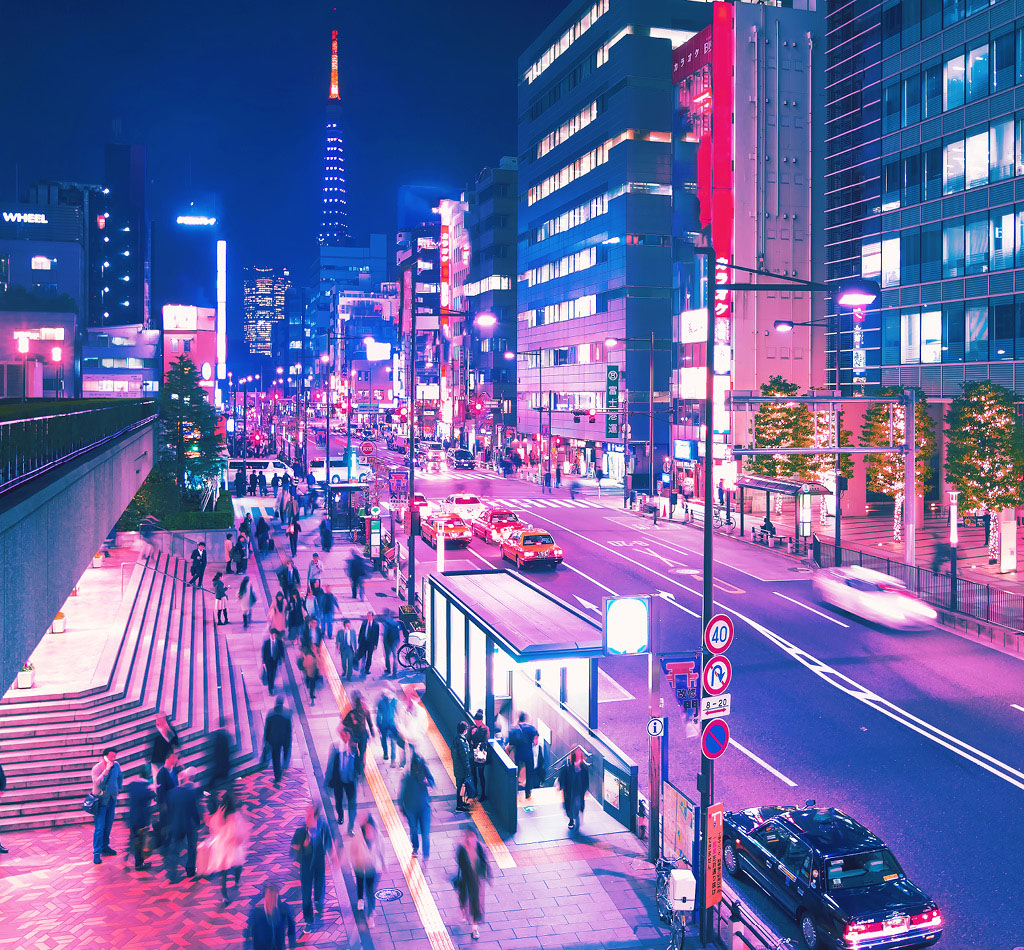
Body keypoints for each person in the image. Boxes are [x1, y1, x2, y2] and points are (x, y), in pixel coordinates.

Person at [291, 803, 337, 935]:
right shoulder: (301, 832)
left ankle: (318, 900)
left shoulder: (323, 828)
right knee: (306, 896)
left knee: (319, 887)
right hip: (306, 867)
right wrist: (302, 848)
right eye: (307, 814)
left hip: (319, 864)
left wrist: (333, 857)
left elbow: (328, 842)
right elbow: (293, 851)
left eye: (309, 815)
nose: (307, 817)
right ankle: (308, 920)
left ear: (316, 817)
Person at [207, 791, 250, 904]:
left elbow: (213, 827)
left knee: (223, 872)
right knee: (238, 865)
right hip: (232, 846)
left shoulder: (219, 813)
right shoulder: (235, 815)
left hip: (221, 846)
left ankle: (225, 896)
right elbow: (239, 832)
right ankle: (236, 881)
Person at [164, 767, 203, 883]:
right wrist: (198, 821)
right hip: (190, 824)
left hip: (176, 823)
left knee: (175, 848)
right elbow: (195, 809)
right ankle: (190, 870)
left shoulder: (172, 793)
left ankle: (172, 873)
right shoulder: (193, 792)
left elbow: (170, 809)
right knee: (191, 847)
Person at [454, 826, 490, 940]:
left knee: (475, 903)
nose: (472, 839)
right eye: (469, 837)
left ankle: (474, 928)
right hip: (465, 878)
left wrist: (484, 874)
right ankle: (463, 910)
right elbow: (460, 863)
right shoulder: (462, 849)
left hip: (475, 880)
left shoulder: (479, 847)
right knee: (463, 896)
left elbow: (484, 861)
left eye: (473, 837)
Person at [350, 816, 385, 928]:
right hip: (359, 865)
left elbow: (382, 852)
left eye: (371, 828)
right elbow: (352, 850)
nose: (369, 831)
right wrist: (355, 862)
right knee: (360, 883)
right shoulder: (358, 837)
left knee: (370, 891)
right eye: (367, 828)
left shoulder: (378, 837)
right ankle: (360, 899)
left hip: (372, 867)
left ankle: (371, 915)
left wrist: (384, 866)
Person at [400, 753, 435, 861]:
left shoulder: (424, 772)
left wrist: (427, 781)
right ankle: (415, 847)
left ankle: (426, 853)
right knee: (414, 830)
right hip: (411, 809)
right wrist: (403, 810)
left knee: (425, 832)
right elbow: (401, 795)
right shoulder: (408, 777)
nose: (416, 771)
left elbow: (432, 782)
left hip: (424, 808)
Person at [325, 727, 358, 835]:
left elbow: (358, 763)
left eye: (347, 735)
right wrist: (328, 779)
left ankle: (351, 827)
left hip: (351, 780)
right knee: (338, 800)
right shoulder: (335, 747)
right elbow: (330, 764)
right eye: (343, 735)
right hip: (338, 779)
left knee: (352, 803)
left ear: (350, 736)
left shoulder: (353, 747)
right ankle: (340, 816)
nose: (345, 738)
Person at [244, 882, 297, 950]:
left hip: (279, 946)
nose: (271, 898)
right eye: (269, 895)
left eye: (273, 895)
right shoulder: (257, 912)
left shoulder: (284, 909)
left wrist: (292, 944)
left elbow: (291, 926)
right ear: (265, 897)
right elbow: (249, 929)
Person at [124, 764, 154, 871]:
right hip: (142, 818)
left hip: (132, 816)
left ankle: (127, 856)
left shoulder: (132, 785)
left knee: (134, 838)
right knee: (140, 841)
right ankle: (139, 863)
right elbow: (151, 797)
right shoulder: (146, 788)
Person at [507, 712, 539, 800]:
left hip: (518, 753)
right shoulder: (532, 728)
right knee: (529, 773)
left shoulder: (514, 729)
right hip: (528, 754)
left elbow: (510, 744)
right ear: (525, 719)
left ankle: (515, 790)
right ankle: (528, 792)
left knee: (516, 772)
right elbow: (535, 743)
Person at [558, 746, 590, 831]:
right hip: (570, 788)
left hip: (579, 788)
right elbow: (562, 775)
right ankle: (571, 819)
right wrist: (561, 786)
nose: (579, 754)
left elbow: (586, 777)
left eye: (580, 752)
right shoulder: (568, 764)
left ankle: (576, 816)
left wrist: (586, 788)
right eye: (577, 752)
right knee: (569, 804)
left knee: (578, 804)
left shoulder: (583, 765)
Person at [152, 750, 179, 851]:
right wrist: (162, 804)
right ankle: (164, 842)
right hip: (166, 803)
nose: (175, 759)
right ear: (168, 758)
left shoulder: (174, 770)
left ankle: (170, 840)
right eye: (174, 757)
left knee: (172, 821)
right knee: (165, 823)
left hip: (174, 801)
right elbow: (160, 790)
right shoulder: (161, 773)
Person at [342, 692, 374, 773]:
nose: (361, 706)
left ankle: (359, 768)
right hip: (357, 735)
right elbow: (345, 722)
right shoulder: (354, 713)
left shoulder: (362, 711)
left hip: (360, 735)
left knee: (361, 752)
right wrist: (352, 723)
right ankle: (359, 767)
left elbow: (370, 722)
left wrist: (372, 731)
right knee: (358, 752)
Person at [263, 698, 292, 785]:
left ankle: (277, 775)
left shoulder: (270, 713)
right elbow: (289, 728)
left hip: (274, 739)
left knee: (275, 758)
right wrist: (289, 738)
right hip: (284, 738)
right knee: (285, 752)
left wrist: (266, 739)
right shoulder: (286, 713)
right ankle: (285, 765)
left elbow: (267, 728)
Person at [207, 718, 233, 809]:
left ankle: (211, 796)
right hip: (223, 764)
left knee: (213, 781)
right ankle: (225, 799)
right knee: (223, 781)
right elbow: (227, 752)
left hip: (217, 764)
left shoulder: (215, 736)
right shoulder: (226, 736)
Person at [376, 686, 404, 766]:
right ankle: (386, 753)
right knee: (384, 740)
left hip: (392, 725)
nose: (387, 694)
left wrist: (399, 724)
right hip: (385, 725)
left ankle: (392, 759)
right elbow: (379, 714)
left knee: (392, 742)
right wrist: (378, 725)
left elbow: (399, 713)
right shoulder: (381, 702)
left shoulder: (395, 701)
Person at [468, 710, 490, 803]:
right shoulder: (471, 728)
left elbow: (485, 741)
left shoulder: (485, 729)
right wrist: (472, 734)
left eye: (479, 721)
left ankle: (483, 794)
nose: (477, 722)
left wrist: (476, 739)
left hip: (481, 754)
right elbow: (468, 739)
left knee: (481, 774)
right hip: (473, 754)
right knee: (474, 774)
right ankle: (475, 792)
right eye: (476, 720)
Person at [453, 721, 472, 812]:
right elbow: (465, 757)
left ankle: (461, 803)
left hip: (457, 767)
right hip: (461, 769)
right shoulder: (461, 742)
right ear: (464, 730)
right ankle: (459, 806)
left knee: (460, 786)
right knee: (460, 787)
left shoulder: (456, 739)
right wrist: (468, 769)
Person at [356, 609, 380, 676]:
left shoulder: (376, 625)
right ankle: (356, 663)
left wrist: (375, 644)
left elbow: (377, 635)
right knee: (361, 654)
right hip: (364, 642)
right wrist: (359, 641)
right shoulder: (364, 623)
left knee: (369, 657)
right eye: (367, 616)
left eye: (369, 616)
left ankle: (367, 669)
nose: (368, 617)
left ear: (373, 617)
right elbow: (361, 632)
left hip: (371, 643)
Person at [262, 629, 285, 696]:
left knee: (273, 674)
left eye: (275, 635)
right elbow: (264, 652)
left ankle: (272, 684)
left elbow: (281, 650)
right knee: (269, 674)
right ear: (270, 635)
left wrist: (282, 657)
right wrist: (263, 662)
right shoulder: (267, 643)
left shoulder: (279, 642)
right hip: (268, 661)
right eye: (273, 634)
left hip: (275, 660)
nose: (274, 636)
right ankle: (270, 689)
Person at [381, 610, 401, 677]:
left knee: (387, 656)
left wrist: (384, 641)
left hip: (387, 642)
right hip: (395, 642)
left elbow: (385, 633)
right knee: (395, 657)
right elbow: (399, 631)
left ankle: (388, 669)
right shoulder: (396, 623)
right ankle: (395, 672)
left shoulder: (386, 623)